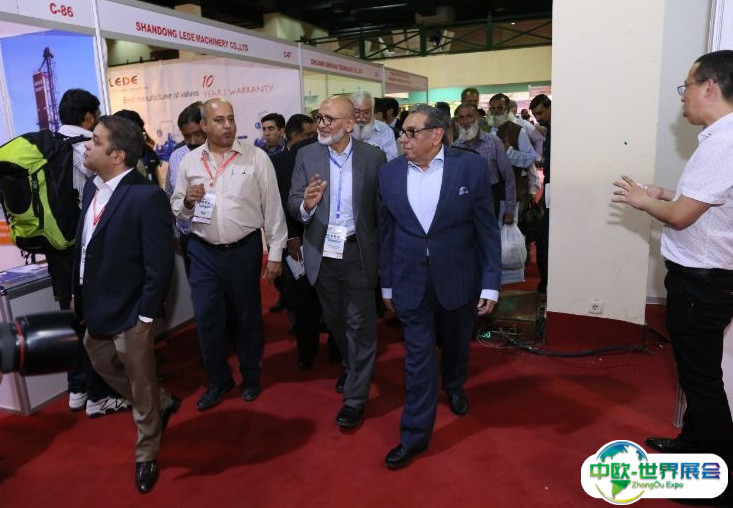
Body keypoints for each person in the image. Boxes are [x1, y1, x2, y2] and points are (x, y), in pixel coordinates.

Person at [612, 50, 733, 505]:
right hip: (704, 276)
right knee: (695, 373)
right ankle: (693, 445)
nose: (682, 97)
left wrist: (644, 201)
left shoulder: (724, 142)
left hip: (704, 280)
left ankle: (719, 480)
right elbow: (701, 202)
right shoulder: (718, 139)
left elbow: (682, 217)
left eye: (687, 87)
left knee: (702, 381)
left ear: (710, 87)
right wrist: (665, 193)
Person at [379, 104, 501, 470]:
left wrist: (490, 283)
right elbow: (387, 233)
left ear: (436, 135)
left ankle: (455, 384)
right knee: (417, 360)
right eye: (402, 132)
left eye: (411, 132)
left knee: (457, 343)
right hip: (409, 281)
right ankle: (414, 436)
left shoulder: (471, 167)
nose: (403, 139)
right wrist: (387, 284)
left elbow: (486, 229)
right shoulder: (389, 173)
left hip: (459, 278)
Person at [72, 114, 180, 493]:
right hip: (97, 306)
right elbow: (84, 248)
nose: (87, 147)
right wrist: (76, 292)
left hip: (133, 310)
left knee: (141, 380)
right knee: (101, 362)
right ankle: (160, 401)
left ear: (117, 155)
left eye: (96, 141)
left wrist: (146, 315)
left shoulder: (146, 196)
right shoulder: (93, 189)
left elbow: (159, 264)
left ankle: (146, 451)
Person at [171, 98, 287, 410]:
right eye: (219, 120)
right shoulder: (189, 162)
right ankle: (218, 380)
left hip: (243, 250)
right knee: (207, 319)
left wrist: (275, 253)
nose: (227, 126)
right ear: (204, 125)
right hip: (202, 251)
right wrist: (188, 202)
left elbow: (273, 208)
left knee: (247, 317)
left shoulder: (256, 158)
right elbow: (177, 208)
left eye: (231, 119)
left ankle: (251, 375)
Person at [288, 95, 386, 428]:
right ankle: (353, 367)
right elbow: (294, 203)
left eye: (329, 119)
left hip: (358, 252)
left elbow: (381, 210)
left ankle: (355, 398)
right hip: (321, 252)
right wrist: (307, 204)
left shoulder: (373, 157)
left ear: (349, 124)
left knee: (360, 324)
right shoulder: (307, 155)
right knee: (335, 320)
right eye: (320, 117)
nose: (322, 124)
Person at [56, 88, 129, 417]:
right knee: (96, 323)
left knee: (71, 317)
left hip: (57, 248)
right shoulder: (88, 145)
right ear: (88, 117)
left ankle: (78, 388)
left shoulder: (49, 145)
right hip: (87, 244)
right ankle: (100, 394)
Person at [453, 102, 516, 224]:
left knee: (488, 234)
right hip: (464, 201)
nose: (465, 121)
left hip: (490, 198)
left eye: (469, 116)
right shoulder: (455, 146)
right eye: (461, 117)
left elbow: (508, 177)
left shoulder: (493, 142)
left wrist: (509, 210)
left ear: (478, 118)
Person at [165, 102, 206, 275]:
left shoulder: (220, 154)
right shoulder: (176, 156)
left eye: (198, 134)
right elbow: (170, 194)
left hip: (216, 236)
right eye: (187, 136)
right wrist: (176, 233)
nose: (193, 141)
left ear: (206, 126)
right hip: (188, 235)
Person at [529, 94, 552, 295]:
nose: (538, 118)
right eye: (535, 115)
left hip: (556, 190)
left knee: (545, 241)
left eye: (541, 113)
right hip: (550, 189)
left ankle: (546, 284)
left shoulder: (557, 130)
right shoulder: (550, 130)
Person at [350, 91, 398, 161]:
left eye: (366, 112)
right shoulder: (343, 129)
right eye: (357, 112)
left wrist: (374, 155)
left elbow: (392, 158)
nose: (361, 117)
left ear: (372, 111)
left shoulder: (385, 130)